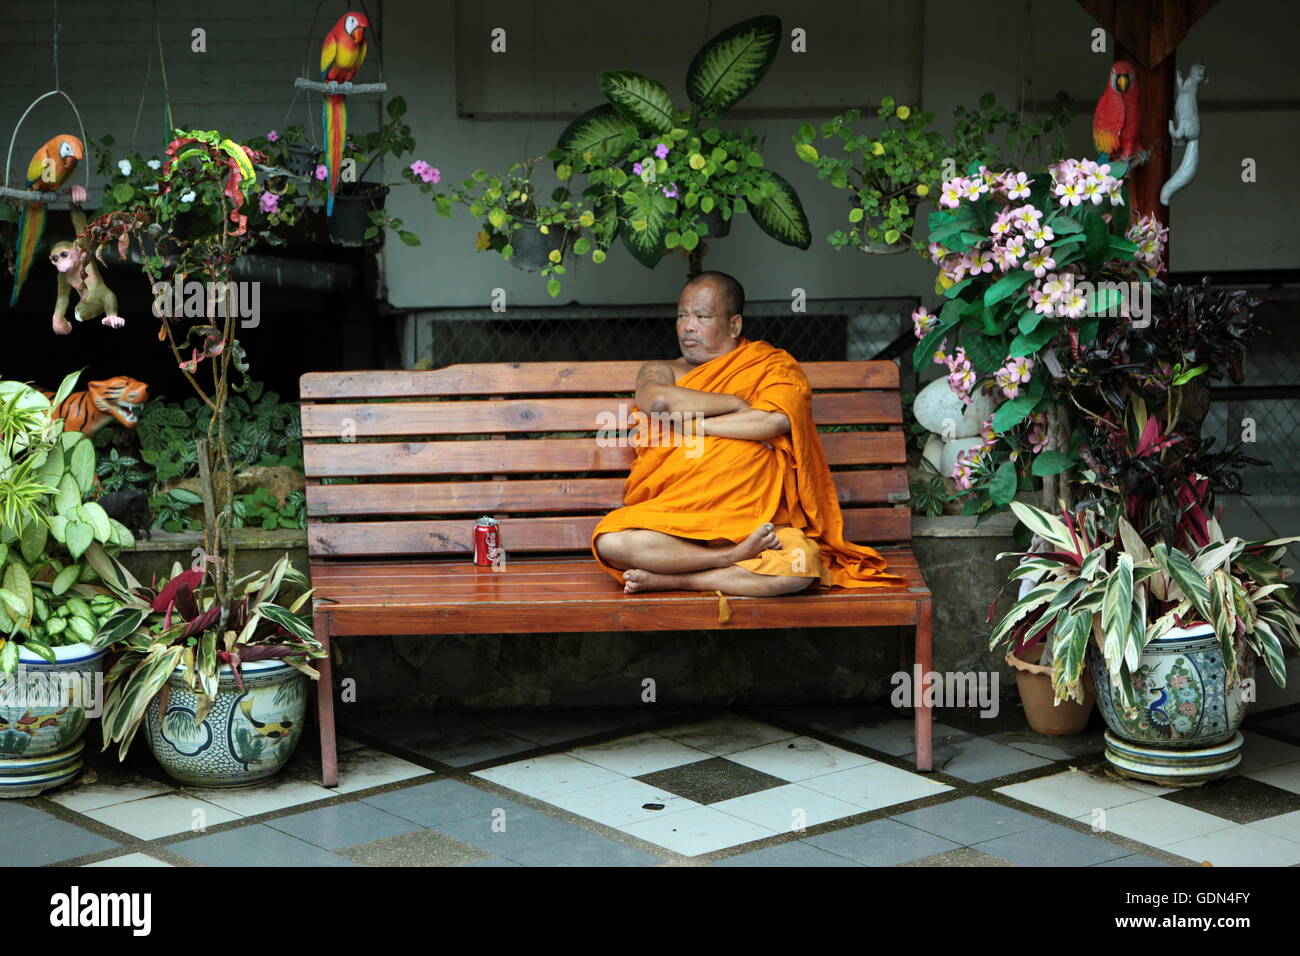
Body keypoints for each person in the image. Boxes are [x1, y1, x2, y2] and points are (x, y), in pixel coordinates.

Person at [592, 270, 903, 596]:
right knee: (611, 541)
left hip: (759, 525)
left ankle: (679, 579)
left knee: (799, 566)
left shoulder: (770, 366)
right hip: (676, 522)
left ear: (734, 325)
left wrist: (700, 425)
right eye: (682, 315)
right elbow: (658, 401)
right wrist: (736, 404)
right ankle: (727, 558)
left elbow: (775, 421)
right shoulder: (661, 370)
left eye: (702, 316)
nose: (688, 326)